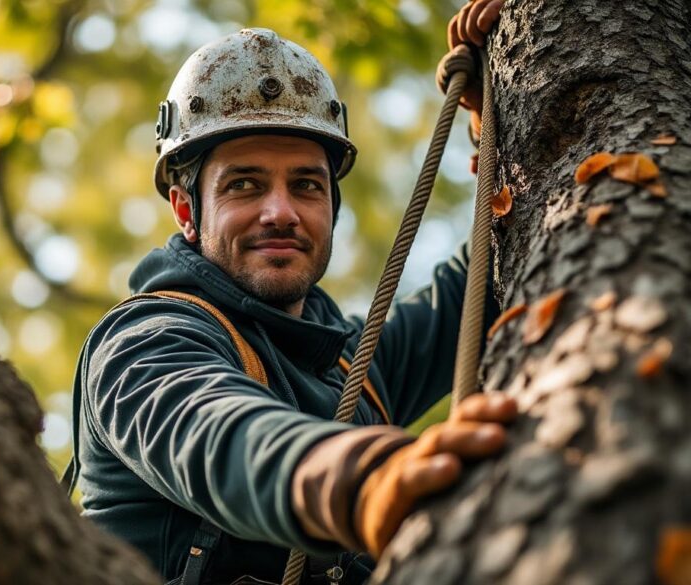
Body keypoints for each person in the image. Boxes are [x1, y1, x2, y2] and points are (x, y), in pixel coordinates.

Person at [70, 2, 513, 583]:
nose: (281, 212)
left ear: (332, 208)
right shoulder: (144, 343)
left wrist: (504, 113)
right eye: (245, 184)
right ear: (186, 210)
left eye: (306, 185)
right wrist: (364, 481)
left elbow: (490, 276)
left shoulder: (352, 367)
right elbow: (221, 439)